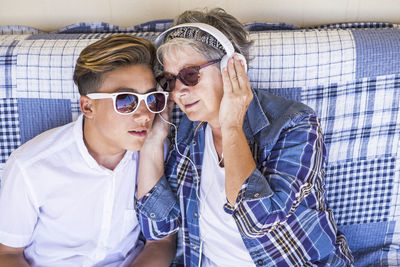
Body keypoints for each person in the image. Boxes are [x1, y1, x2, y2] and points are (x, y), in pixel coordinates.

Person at [136, 8, 353, 267]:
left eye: (190, 75)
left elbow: (258, 221)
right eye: (170, 80)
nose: (178, 93)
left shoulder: (294, 124)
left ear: (232, 67)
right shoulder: (186, 132)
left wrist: (231, 127)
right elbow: (158, 229)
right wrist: (152, 141)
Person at [0, 34, 175, 266]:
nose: (144, 115)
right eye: (126, 101)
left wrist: (154, 144)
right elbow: (8, 253)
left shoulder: (154, 150)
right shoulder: (30, 166)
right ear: (88, 106)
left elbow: (161, 243)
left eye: (151, 99)